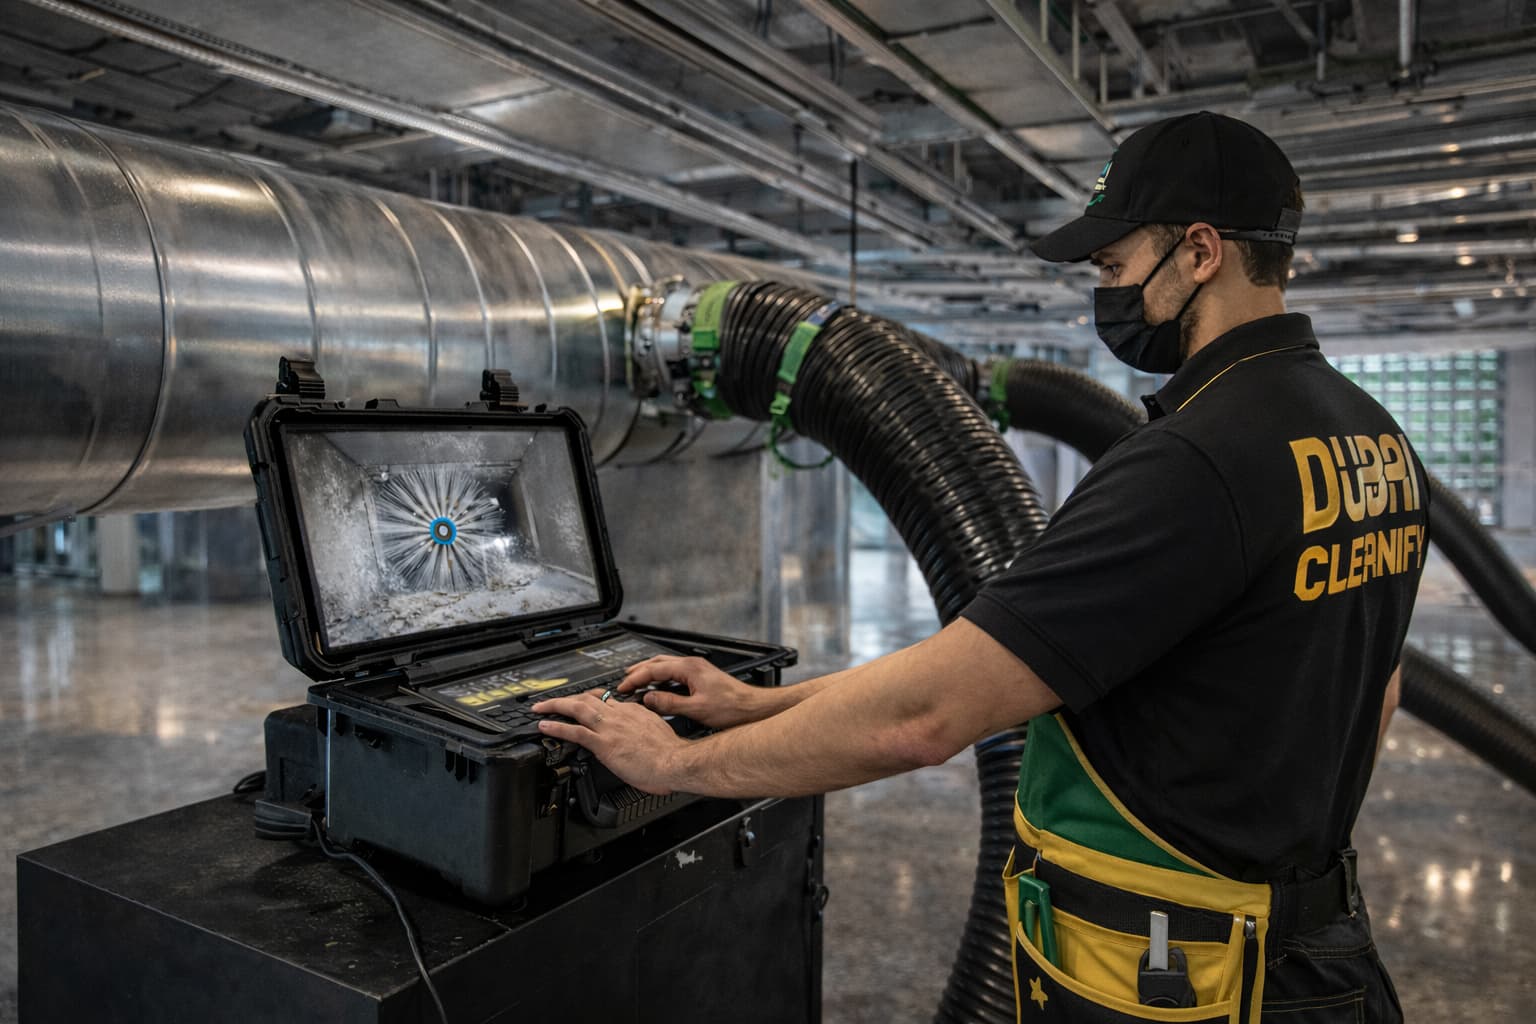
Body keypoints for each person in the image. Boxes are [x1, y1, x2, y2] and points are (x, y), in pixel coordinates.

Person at [535, 111, 1424, 1023]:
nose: (1105, 292)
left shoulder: (1197, 462)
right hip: (1315, 961)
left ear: (1200, 251)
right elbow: (1373, 687)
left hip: (1181, 984)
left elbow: (925, 718)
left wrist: (674, 766)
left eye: (1115, 267)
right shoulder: (1370, 436)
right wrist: (757, 704)